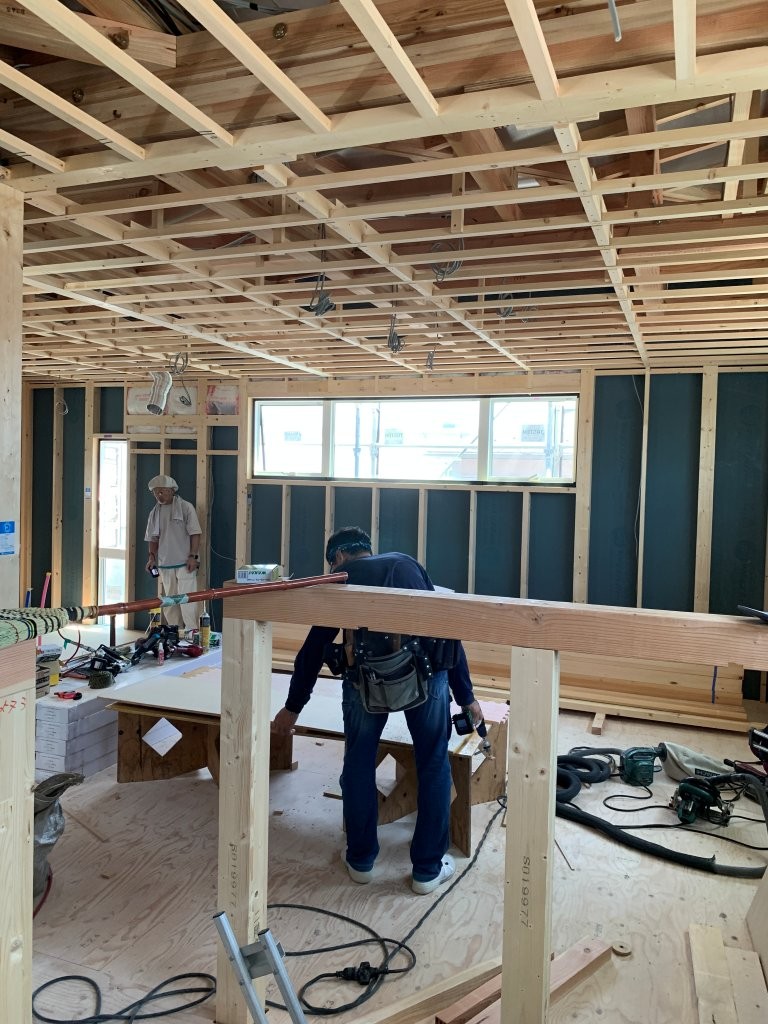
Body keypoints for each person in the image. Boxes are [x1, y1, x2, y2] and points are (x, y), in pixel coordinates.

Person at [271, 526, 483, 896]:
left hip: (363, 681)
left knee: (358, 763)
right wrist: (466, 696)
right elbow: (447, 630)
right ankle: (427, 871)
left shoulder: (340, 581)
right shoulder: (404, 564)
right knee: (433, 764)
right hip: (426, 678)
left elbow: (312, 651)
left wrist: (292, 709)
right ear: (368, 550)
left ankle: (360, 861)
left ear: (338, 558)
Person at [144, 475, 202, 632]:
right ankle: (175, 631)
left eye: (162, 492)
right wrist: (151, 558)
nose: (159, 495)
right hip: (165, 563)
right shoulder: (154, 512)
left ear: (171, 490)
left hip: (185, 562)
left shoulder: (185, 507)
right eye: (155, 493)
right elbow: (153, 539)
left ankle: (191, 632)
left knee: (187, 598)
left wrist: (193, 556)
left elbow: (195, 533)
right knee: (169, 600)